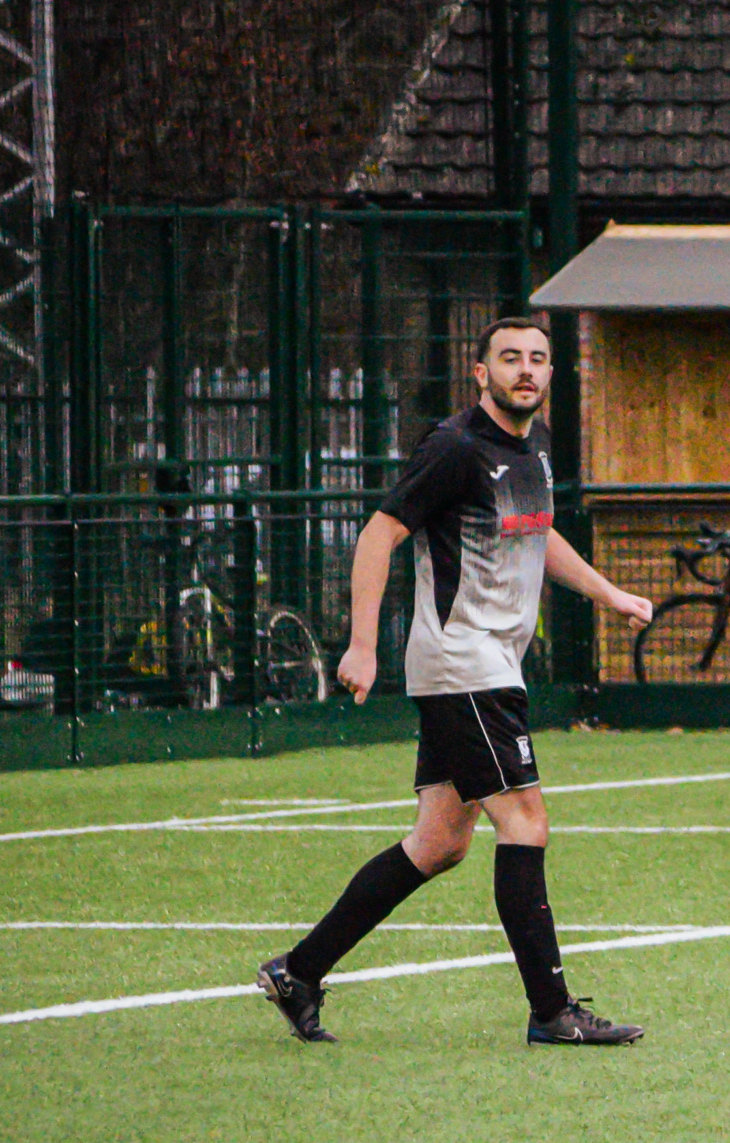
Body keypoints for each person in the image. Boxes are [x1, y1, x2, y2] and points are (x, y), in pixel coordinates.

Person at [256, 317, 654, 1047]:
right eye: (510, 358)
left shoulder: (527, 451)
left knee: (440, 840)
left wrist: (610, 594)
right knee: (526, 821)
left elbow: (536, 533)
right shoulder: (455, 446)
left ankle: (299, 971)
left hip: (487, 664)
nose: (525, 370)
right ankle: (551, 1010)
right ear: (481, 372)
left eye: (537, 359)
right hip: (463, 660)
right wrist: (363, 644)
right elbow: (379, 533)